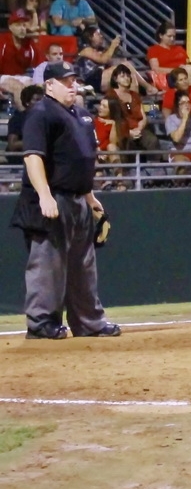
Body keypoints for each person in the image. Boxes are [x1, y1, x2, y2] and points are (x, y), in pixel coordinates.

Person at [8, 61, 120, 339]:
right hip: (51, 199)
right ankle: (42, 323)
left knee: (83, 265)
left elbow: (82, 161)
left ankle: (89, 322)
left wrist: (91, 198)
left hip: (77, 199)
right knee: (48, 264)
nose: (72, 85)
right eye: (65, 81)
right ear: (49, 85)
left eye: (73, 80)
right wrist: (45, 196)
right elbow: (33, 156)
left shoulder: (80, 115)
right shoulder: (41, 113)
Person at [75, 26, 159, 95]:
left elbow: (112, 61)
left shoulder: (100, 51)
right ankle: (148, 88)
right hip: (93, 79)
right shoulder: (85, 50)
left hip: (102, 77)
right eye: (98, 34)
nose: (101, 36)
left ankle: (135, 102)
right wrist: (112, 45)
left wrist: (115, 49)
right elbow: (103, 60)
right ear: (90, 37)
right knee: (125, 66)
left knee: (129, 75)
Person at [104, 63, 160, 163]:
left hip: (138, 129)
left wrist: (139, 128)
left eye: (128, 76)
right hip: (120, 130)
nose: (126, 78)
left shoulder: (135, 95)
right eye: (122, 76)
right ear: (115, 79)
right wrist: (129, 132)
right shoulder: (111, 96)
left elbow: (143, 117)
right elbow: (112, 119)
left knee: (152, 140)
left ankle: (154, 170)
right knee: (127, 143)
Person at [146, 20, 191, 89]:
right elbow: (155, 69)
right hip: (170, 76)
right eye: (169, 36)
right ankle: (188, 95)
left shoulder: (179, 48)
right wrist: (177, 69)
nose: (172, 39)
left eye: (173, 36)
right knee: (187, 70)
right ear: (161, 36)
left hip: (185, 71)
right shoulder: (154, 49)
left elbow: (188, 63)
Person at [0, 8, 38, 110]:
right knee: (18, 87)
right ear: (10, 27)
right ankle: (24, 119)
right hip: (3, 76)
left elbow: (38, 66)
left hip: (21, 76)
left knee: (35, 88)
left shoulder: (29, 43)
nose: (22, 28)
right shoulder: (2, 41)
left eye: (24, 25)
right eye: (18, 25)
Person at [93, 96, 128, 190]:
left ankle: (120, 182)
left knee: (111, 147)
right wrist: (98, 151)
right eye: (100, 105)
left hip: (110, 155)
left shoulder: (119, 124)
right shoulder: (92, 121)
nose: (100, 108)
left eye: (104, 106)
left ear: (111, 110)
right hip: (96, 154)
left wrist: (113, 124)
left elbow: (113, 142)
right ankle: (103, 182)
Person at [4, 82, 41, 165]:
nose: (40, 103)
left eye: (42, 100)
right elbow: (12, 145)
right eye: (36, 100)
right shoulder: (18, 119)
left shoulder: (49, 118)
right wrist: (38, 142)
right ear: (27, 102)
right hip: (21, 160)